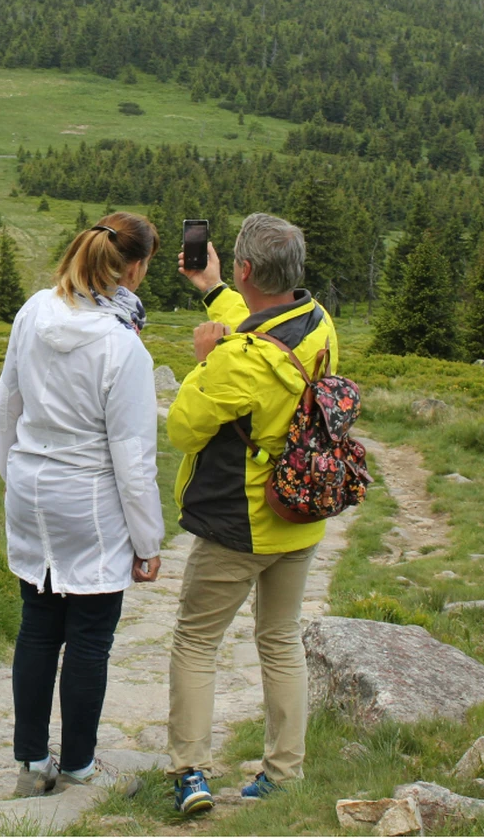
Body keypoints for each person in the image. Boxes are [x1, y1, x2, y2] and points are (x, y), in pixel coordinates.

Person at [163, 213, 340, 816]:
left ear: (246, 268)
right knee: (280, 637)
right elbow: (263, 333)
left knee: (196, 641)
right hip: (301, 516)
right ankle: (284, 771)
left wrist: (204, 360)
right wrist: (213, 289)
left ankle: (191, 773)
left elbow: (183, 427)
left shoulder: (235, 361)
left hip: (240, 524)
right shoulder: (318, 325)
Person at [0, 212, 165, 799]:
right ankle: (80, 765)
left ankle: (30, 760)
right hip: (90, 501)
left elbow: (6, 404)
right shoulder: (123, 348)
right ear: (134, 269)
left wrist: (13, 475)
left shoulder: (34, 311)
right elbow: (134, 460)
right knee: (90, 637)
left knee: (38, 626)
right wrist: (148, 544)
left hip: (31, 486)